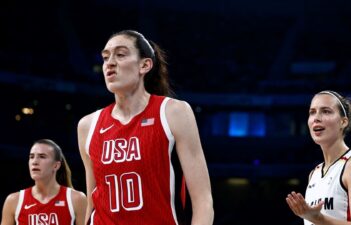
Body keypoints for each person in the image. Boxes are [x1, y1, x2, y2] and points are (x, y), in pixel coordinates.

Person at [77, 30, 214, 225]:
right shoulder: (87, 125)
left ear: (145, 65)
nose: (110, 63)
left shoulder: (173, 113)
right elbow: (92, 202)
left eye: (121, 54)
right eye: (106, 57)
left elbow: (203, 201)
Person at [286, 90, 351, 225]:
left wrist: (318, 219)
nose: (316, 117)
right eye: (312, 112)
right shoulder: (314, 174)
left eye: (326, 111)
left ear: (343, 122)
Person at [0, 139, 87, 225]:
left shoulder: (76, 199)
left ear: (56, 165)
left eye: (42, 156)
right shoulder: (14, 201)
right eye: (31, 157)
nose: (34, 162)